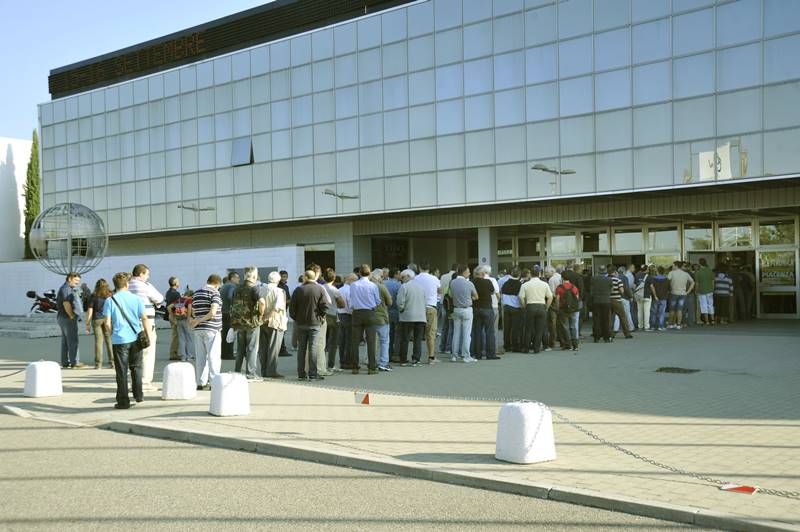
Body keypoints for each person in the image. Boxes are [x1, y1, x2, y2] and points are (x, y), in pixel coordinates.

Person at [103, 272, 148, 409]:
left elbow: (107, 323)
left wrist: (112, 334)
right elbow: (144, 318)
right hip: (135, 337)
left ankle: (123, 401)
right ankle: (138, 395)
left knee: (121, 371)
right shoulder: (136, 299)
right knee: (136, 367)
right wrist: (147, 335)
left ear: (115, 286)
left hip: (119, 339)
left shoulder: (110, 301)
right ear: (127, 284)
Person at [128, 264, 164, 390]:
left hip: (130, 325)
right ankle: (145, 383)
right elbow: (159, 299)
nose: (148, 277)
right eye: (147, 274)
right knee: (147, 354)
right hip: (146, 324)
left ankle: (134, 382)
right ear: (141, 274)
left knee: (134, 354)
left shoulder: (127, 285)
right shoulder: (145, 286)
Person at [288, 270, 328, 380]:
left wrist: (296, 318)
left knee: (301, 348)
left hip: (301, 323)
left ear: (305, 277)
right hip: (315, 323)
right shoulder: (320, 289)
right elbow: (325, 306)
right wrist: (321, 317)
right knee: (313, 348)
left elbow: (292, 308)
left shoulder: (298, 290)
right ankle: (313, 374)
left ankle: (301, 374)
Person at [188, 274, 223, 390]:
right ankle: (214, 382)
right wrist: (200, 320)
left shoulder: (196, 293)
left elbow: (193, 311)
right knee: (213, 357)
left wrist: (196, 321)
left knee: (201, 357)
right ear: (217, 284)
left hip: (198, 330)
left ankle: (200, 382)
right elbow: (213, 312)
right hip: (212, 329)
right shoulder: (214, 293)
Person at [232, 266, 265, 381]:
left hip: (239, 322)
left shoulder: (237, 288)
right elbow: (262, 302)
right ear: (254, 276)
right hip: (252, 323)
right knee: (252, 348)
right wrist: (261, 314)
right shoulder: (254, 288)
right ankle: (251, 374)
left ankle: (237, 372)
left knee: (240, 349)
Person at [349, 264, 381, 374]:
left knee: (355, 341)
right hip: (370, 313)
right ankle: (371, 367)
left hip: (357, 313)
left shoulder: (353, 285)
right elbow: (377, 301)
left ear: (359, 273)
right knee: (371, 341)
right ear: (370, 273)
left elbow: (351, 300)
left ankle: (355, 367)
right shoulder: (373, 286)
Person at [257, 271, 288, 379]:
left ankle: (264, 370)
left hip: (261, 321)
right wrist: (268, 317)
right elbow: (277, 308)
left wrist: (262, 318)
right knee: (273, 348)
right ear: (278, 280)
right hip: (275, 321)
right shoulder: (279, 291)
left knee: (263, 348)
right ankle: (271, 371)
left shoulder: (261, 289)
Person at [396, 269, 427, 366]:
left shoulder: (404, 287)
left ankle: (403, 359)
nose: (401, 279)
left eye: (403, 277)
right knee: (418, 339)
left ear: (408, 276)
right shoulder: (421, 287)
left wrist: (401, 310)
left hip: (407, 316)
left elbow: (400, 302)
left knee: (405, 338)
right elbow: (424, 300)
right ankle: (416, 359)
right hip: (420, 316)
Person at [448, 265, 478, 363]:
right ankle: (466, 356)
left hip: (456, 309)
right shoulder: (469, 283)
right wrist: (469, 298)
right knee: (466, 334)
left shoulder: (452, 282)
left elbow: (451, 294)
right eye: (468, 272)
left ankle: (454, 355)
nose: (469, 273)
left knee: (456, 333)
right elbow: (476, 296)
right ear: (464, 272)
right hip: (467, 310)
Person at [519, 268, 552, 353]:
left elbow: (521, 297)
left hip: (530, 306)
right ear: (539, 274)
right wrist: (547, 307)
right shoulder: (544, 284)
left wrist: (524, 306)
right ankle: (536, 348)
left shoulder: (525, 284)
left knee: (528, 329)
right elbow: (550, 297)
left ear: (530, 274)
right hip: (541, 306)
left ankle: (526, 348)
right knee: (539, 329)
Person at [415, 262, 442, 363]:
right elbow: (440, 290)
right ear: (428, 268)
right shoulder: (434, 278)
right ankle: (431, 357)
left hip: (418, 307)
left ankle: (416, 357)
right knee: (431, 333)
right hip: (431, 306)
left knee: (418, 333)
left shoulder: (415, 278)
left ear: (419, 267)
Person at [85, 278, 114, 369]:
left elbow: (90, 310)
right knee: (109, 340)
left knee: (98, 342)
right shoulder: (109, 295)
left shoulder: (93, 296)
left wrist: (88, 323)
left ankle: (98, 364)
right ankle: (112, 362)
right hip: (107, 319)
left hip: (96, 319)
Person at [56, 272, 83, 369]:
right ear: (69, 279)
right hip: (67, 317)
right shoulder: (67, 289)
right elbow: (66, 303)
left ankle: (65, 362)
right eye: (76, 280)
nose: (77, 283)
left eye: (78, 281)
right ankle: (75, 362)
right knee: (72, 340)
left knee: (65, 340)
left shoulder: (65, 288)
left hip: (62, 317)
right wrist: (71, 315)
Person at [320, 268, 344, 372]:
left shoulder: (320, 288)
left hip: (323, 316)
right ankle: (331, 364)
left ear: (323, 277)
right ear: (334, 278)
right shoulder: (334, 290)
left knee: (323, 342)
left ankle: (322, 363)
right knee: (333, 342)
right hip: (333, 316)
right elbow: (342, 304)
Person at [472, 265, 498, 360]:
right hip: (487, 308)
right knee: (489, 331)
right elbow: (492, 292)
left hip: (476, 308)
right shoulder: (488, 282)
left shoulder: (472, 282)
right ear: (483, 274)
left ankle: (477, 354)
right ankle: (490, 354)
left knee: (477, 331)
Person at [370, 269, 394, 372]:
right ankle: (383, 363)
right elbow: (389, 302)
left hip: (370, 317)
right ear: (378, 277)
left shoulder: (367, 286)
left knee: (371, 342)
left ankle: (371, 361)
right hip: (381, 318)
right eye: (382, 276)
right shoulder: (381, 287)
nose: (382, 278)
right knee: (384, 341)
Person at [555, 276, 581, 351]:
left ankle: (568, 344)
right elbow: (577, 298)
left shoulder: (559, 288)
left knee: (565, 327)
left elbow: (557, 299)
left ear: (562, 279)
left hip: (563, 310)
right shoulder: (574, 287)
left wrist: (557, 308)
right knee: (573, 326)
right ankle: (575, 345)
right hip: (573, 310)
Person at [667, 261, 695, 330]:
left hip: (673, 293)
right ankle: (678, 324)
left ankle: (670, 324)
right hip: (683, 294)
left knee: (672, 310)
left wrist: (669, 289)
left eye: (673, 265)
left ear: (676, 266)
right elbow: (693, 282)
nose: (672, 266)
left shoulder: (671, 273)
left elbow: (667, 281)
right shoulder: (686, 274)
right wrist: (688, 291)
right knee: (679, 310)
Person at [500, 268, 523, 352]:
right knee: (515, 328)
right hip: (516, 308)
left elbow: (502, 295)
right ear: (519, 275)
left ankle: (507, 346)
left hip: (506, 308)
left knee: (507, 327)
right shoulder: (519, 284)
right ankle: (515, 346)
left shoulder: (505, 284)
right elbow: (521, 296)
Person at [170, 288, 194, 362]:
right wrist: (189, 318)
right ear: (191, 295)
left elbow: (169, 307)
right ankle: (189, 356)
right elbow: (189, 308)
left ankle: (183, 357)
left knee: (181, 338)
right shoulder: (189, 300)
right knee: (189, 338)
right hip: (185, 320)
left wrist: (173, 317)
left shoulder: (179, 299)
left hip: (178, 319)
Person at [219, 272, 240, 360]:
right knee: (230, 334)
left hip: (223, 312)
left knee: (224, 334)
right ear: (232, 278)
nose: (239, 279)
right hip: (229, 313)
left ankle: (224, 353)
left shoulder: (224, 286)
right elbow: (230, 296)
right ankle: (228, 354)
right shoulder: (232, 286)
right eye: (237, 277)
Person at [337, 273, 356, 369]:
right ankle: (348, 361)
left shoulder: (339, 290)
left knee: (342, 340)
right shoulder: (349, 290)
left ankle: (342, 360)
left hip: (340, 315)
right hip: (348, 316)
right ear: (350, 280)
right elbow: (350, 305)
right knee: (349, 339)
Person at [438, 264, 457, 354]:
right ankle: (449, 347)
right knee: (451, 327)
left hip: (443, 303)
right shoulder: (456, 277)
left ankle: (442, 346)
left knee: (444, 327)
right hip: (451, 305)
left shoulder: (443, 276)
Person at [590, 265, 613, 343]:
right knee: (606, 319)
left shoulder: (593, 279)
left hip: (596, 300)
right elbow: (611, 290)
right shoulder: (609, 279)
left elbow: (591, 290)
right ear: (605, 271)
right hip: (606, 301)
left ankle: (596, 337)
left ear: (598, 271)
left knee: (596, 319)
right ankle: (606, 337)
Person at [384, 269, 402, 363]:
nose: (400, 276)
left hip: (386, 311)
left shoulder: (384, 283)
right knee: (398, 334)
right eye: (399, 274)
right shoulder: (399, 285)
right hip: (396, 311)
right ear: (395, 275)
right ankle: (396, 354)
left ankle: (388, 354)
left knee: (388, 335)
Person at [610, 267, 633, 339]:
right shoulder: (618, 280)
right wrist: (630, 296)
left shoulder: (607, 279)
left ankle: (610, 333)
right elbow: (622, 291)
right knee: (623, 316)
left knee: (610, 318)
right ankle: (627, 333)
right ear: (615, 272)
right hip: (617, 300)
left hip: (608, 301)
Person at [165, 277, 181, 360]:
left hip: (170, 315)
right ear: (175, 283)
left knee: (175, 335)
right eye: (178, 281)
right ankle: (173, 354)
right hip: (174, 316)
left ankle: (174, 353)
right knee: (176, 335)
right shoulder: (176, 293)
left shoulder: (168, 292)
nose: (179, 283)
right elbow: (178, 306)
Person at [695, 258, 715, 325]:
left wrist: (696, 290)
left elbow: (697, 283)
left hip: (701, 291)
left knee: (704, 305)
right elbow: (713, 281)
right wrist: (712, 289)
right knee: (710, 305)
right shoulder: (710, 271)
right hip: (710, 290)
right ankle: (712, 320)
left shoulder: (698, 272)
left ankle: (706, 321)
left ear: (699, 263)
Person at [649, 266, 670, 331]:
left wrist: (655, 295)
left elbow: (652, 286)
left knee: (653, 312)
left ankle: (652, 326)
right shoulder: (666, 279)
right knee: (662, 312)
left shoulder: (653, 279)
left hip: (655, 297)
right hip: (664, 297)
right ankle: (660, 326)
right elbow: (669, 289)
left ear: (657, 271)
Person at [633, 265, 651, 332]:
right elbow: (651, 286)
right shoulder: (649, 276)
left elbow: (634, 286)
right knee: (646, 312)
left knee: (639, 311)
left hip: (639, 296)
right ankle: (646, 326)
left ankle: (640, 325)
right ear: (646, 270)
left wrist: (635, 294)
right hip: (646, 295)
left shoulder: (637, 275)